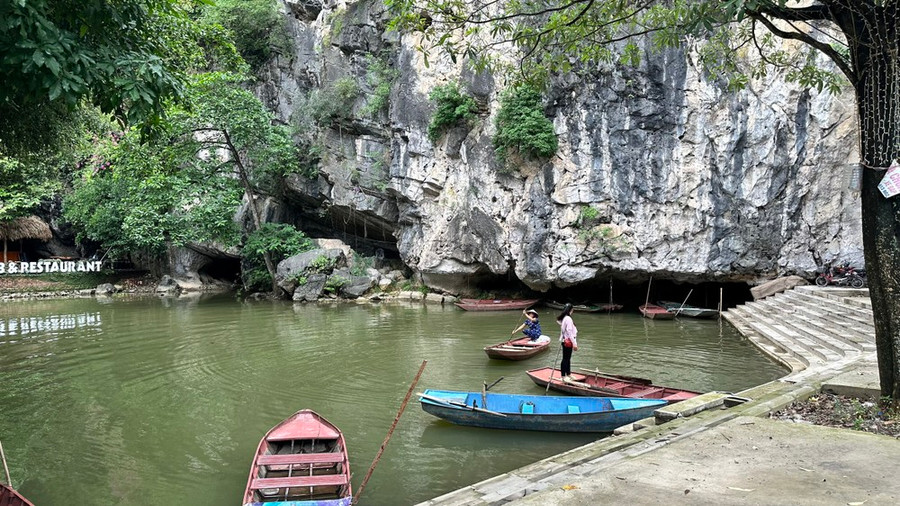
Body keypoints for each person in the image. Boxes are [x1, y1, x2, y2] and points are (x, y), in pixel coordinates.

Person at [556, 303, 578, 381]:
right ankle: (563, 376)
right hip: (568, 341)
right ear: (571, 310)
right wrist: (574, 343)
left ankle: (568, 374)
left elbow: (558, 321)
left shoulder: (565, 318)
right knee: (566, 358)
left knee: (567, 358)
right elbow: (569, 332)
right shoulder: (568, 318)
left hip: (565, 340)